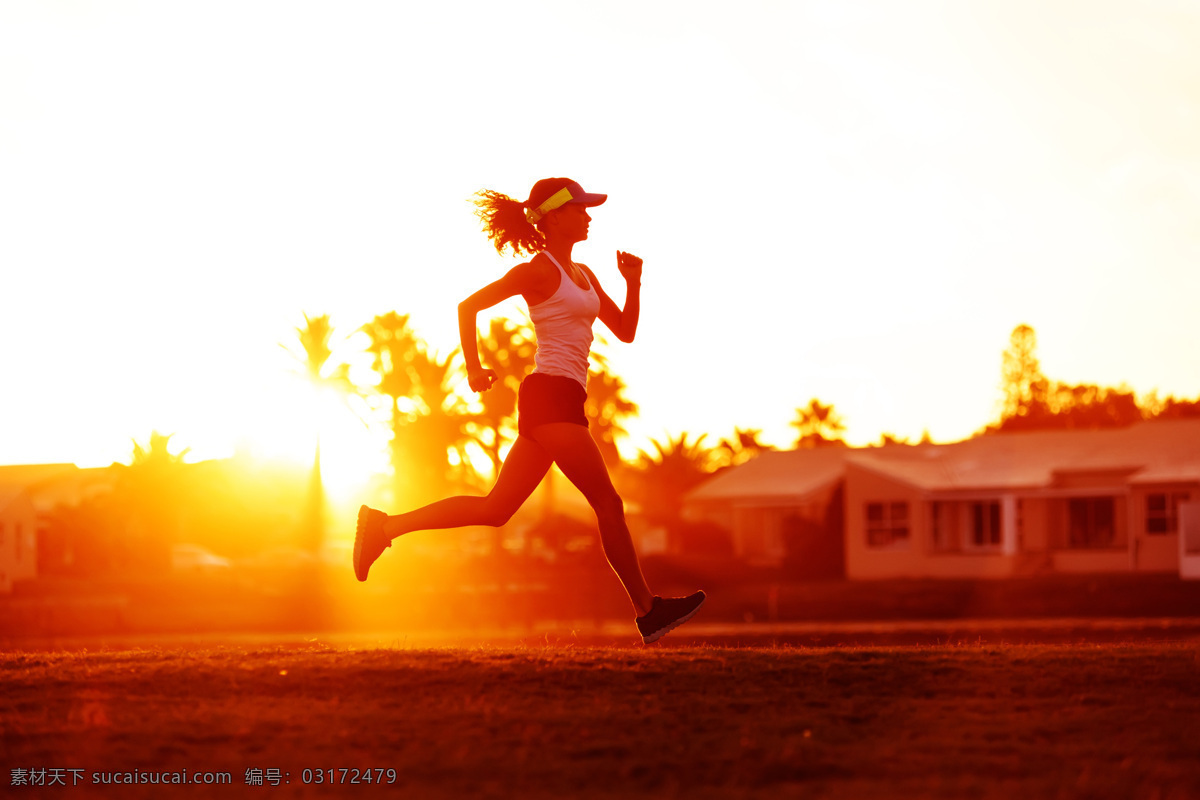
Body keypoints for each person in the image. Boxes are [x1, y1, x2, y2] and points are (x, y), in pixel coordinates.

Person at [353, 177, 705, 644]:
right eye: (580, 209)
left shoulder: (585, 275)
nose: (589, 216)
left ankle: (384, 525)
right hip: (548, 396)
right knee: (608, 502)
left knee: (496, 509)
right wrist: (475, 369)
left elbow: (624, 330)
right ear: (555, 216)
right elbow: (468, 306)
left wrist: (634, 283)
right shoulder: (537, 272)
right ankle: (648, 610)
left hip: (565, 399)